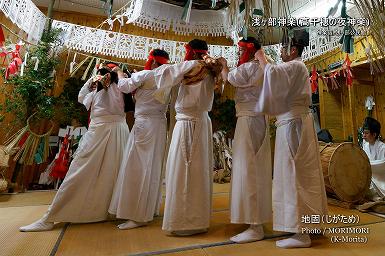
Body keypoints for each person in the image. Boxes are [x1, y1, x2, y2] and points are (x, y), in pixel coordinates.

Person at [19, 63, 130, 232]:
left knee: (113, 172)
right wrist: (93, 81)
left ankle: (104, 211)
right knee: (80, 170)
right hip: (102, 129)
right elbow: (82, 98)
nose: (105, 76)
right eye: (103, 72)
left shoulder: (123, 82)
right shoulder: (97, 84)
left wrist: (118, 74)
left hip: (116, 129)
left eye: (107, 72)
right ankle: (51, 216)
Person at [254, 28, 328, 248]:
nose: (280, 51)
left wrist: (261, 58)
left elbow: (273, 75)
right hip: (293, 123)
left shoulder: (296, 65)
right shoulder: (296, 67)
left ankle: (301, 233)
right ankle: (306, 225)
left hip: (294, 124)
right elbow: (276, 80)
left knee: (294, 173)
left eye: (284, 47)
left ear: (293, 49)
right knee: (297, 174)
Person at [153, 39, 222, 236]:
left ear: (191, 52)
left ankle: (184, 221)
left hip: (189, 124)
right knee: (197, 170)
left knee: (184, 169)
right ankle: (197, 220)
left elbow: (163, 75)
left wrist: (155, 66)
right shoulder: (209, 68)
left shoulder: (193, 65)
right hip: (200, 122)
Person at [108, 49, 170, 229]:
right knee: (151, 167)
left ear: (152, 60)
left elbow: (124, 86)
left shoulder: (147, 73)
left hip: (144, 125)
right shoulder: (167, 75)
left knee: (138, 167)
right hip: (159, 125)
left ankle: (137, 215)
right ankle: (148, 209)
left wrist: (119, 72)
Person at [218, 37, 272, 243]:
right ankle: (253, 218)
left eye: (241, 51)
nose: (239, 54)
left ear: (249, 51)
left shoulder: (250, 67)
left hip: (250, 120)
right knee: (251, 168)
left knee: (249, 169)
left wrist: (223, 65)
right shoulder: (263, 67)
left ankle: (255, 226)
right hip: (254, 120)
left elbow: (230, 78)